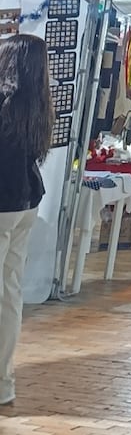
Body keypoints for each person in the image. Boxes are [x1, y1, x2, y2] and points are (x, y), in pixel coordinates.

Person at [0, 34, 53, 406]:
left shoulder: (4, 101)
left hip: (4, 203)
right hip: (26, 202)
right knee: (9, 294)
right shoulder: (39, 104)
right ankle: (3, 381)